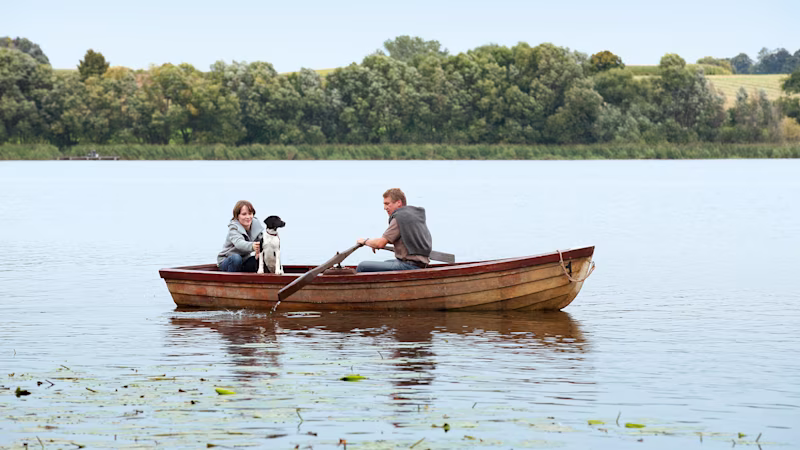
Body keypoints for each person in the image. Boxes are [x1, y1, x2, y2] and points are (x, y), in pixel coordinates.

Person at [356, 188, 432, 273]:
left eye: (387, 204)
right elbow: (404, 238)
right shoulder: (412, 215)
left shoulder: (399, 218)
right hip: (420, 264)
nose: (385, 208)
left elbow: (380, 244)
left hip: (409, 266)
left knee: (362, 266)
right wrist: (373, 242)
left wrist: (365, 241)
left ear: (398, 203)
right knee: (386, 263)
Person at [217, 200, 264, 272]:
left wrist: (260, 251)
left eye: (250, 213)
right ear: (237, 216)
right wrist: (253, 246)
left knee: (259, 259)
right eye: (244, 214)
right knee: (236, 258)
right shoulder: (233, 228)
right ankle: (231, 282)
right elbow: (239, 243)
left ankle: (252, 282)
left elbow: (263, 241)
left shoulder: (256, 225)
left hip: (244, 260)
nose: (248, 217)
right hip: (227, 260)